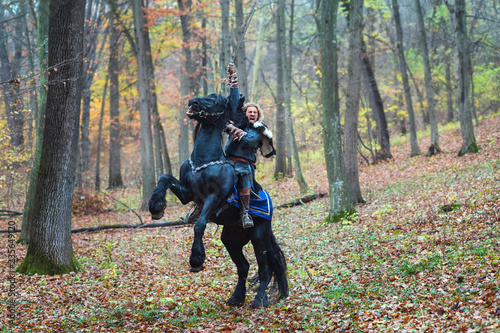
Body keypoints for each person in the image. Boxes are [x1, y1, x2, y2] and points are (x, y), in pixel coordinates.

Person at [224, 65, 276, 228]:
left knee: (243, 173)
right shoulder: (240, 122)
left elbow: (249, 140)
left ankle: (245, 213)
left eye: (255, 112)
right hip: (227, 161)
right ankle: (199, 206)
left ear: (258, 115)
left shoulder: (260, 130)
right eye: (249, 111)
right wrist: (233, 79)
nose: (252, 113)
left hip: (244, 164)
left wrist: (233, 128)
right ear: (245, 113)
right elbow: (233, 103)